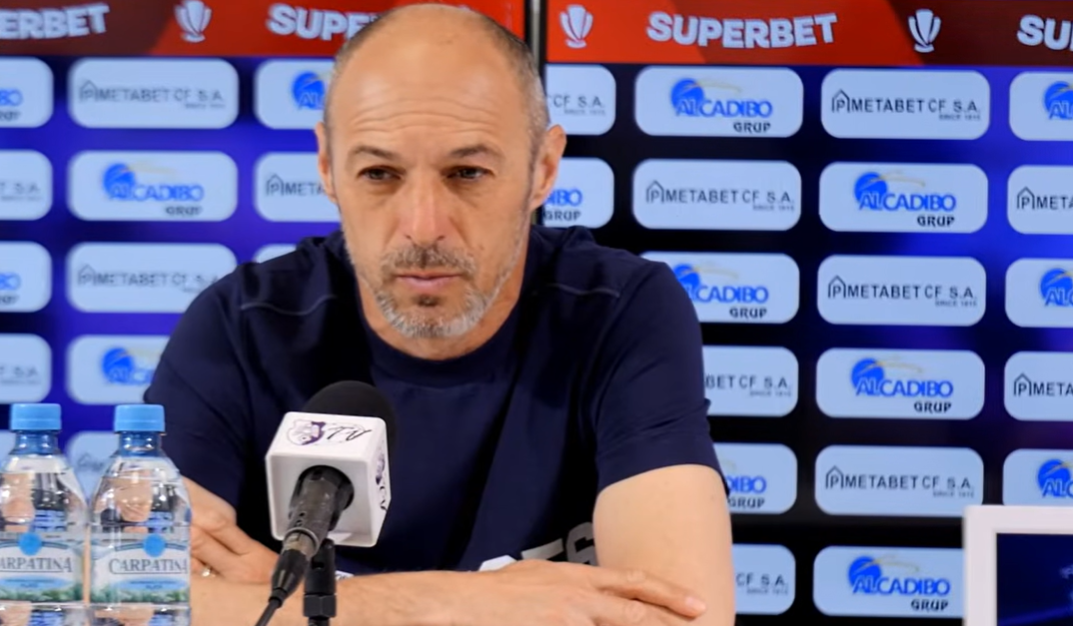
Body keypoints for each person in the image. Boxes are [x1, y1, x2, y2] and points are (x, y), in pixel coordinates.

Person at [144, 4, 735, 625]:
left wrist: (300, 604)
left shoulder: (620, 311)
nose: (424, 226)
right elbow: (134, 605)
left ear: (543, 170)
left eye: (467, 172)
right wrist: (455, 604)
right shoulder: (241, 326)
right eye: (379, 173)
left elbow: (681, 618)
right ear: (326, 168)